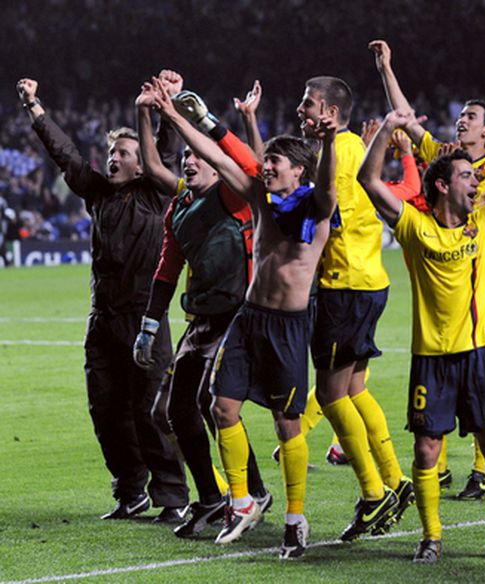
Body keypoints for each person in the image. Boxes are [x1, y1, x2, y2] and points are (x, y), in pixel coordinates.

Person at [151, 78, 337, 559]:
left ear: (299, 170)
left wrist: (331, 141)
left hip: (290, 327)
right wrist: (176, 116)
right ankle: (241, 500)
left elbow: (330, 186)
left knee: (286, 424)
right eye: (267, 161)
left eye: (275, 162)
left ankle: (296, 518)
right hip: (249, 319)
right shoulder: (262, 199)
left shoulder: (315, 208)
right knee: (219, 406)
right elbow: (217, 157)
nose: (265, 166)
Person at [357, 85, 485, 563]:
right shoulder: (416, 229)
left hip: (483, 350)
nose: (475, 181)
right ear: (442, 185)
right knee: (425, 451)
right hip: (433, 356)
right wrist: (389, 129)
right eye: (465, 176)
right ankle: (431, 538)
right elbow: (368, 181)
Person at [15, 77, 188, 521]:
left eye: (123, 154)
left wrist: (150, 109)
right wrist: (35, 107)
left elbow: (165, 154)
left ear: (139, 165)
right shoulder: (97, 195)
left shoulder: (154, 195)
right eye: (111, 153)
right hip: (103, 321)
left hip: (144, 318)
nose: (113, 159)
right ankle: (130, 492)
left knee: (151, 411)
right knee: (106, 411)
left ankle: (173, 496)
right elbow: (66, 155)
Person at [369, 38, 485, 500]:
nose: (461, 120)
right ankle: (456, 474)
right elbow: (410, 123)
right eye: (460, 116)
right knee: (444, 402)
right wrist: (386, 70)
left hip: (483, 281)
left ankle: (480, 468)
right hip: (439, 267)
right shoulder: (449, 158)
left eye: (471, 117)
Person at [132, 76, 271, 539]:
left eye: (197, 156)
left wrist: (192, 118)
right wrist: (150, 326)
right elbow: (166, 272)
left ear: (215, 165)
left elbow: (250, 168)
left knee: (216, 404)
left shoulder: (232, 197)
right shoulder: (178, 210)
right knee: (170, 411)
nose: (189, 160)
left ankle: (251, 492)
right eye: (186, 156)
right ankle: (211, 497)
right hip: (203, 319)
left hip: (239, 314)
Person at [296, 76, 413, 541]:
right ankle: (395, 478)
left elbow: (325, 212)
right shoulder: (352, 149)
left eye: (307, 104)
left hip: (343, 285)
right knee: (356, 387)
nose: (300, 110)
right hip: (371, 280)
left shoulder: (332, 154)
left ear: (327, 110)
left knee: (330, 394)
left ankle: (373, 492)